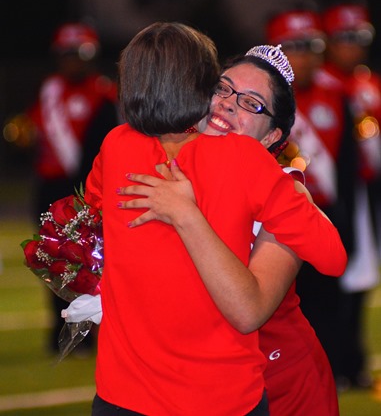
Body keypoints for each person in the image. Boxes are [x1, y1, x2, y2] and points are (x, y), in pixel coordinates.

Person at [83, 21, 346, 416]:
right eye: (223, 88)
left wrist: (185, 213)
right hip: (199, 384)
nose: (227, 104)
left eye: (251, 104)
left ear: (273, 137)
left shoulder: (273, 182)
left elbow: (318, 267)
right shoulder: (145, 148)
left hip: (284, 380)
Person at [264, 7, 357, 386]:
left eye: (312, 46)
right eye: (295, 46)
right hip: (277, 219)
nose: (305, 55)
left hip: (325, 213)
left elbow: (348, 168)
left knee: (331, 300)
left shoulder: (338, 97)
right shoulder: (261, 100)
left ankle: (336, 368)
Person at [26, 21, 119, 355]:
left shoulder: (104, 93)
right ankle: (59, 332)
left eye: (80, 53)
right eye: (66, 54)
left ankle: (90, 337)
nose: (73, 61)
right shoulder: (47, 90)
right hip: (49, 189)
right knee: (53, 265)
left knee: (90, 267)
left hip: (84, 192)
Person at [318, 0, 381, 390]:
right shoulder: (323, 85)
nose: (353, 46)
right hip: (333, 195)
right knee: (331, 282)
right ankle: (335, 361)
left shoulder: (370, 83)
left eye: (360, 37)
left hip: (368, 193)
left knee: (362, 275)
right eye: (344, 38)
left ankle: (352, 358)